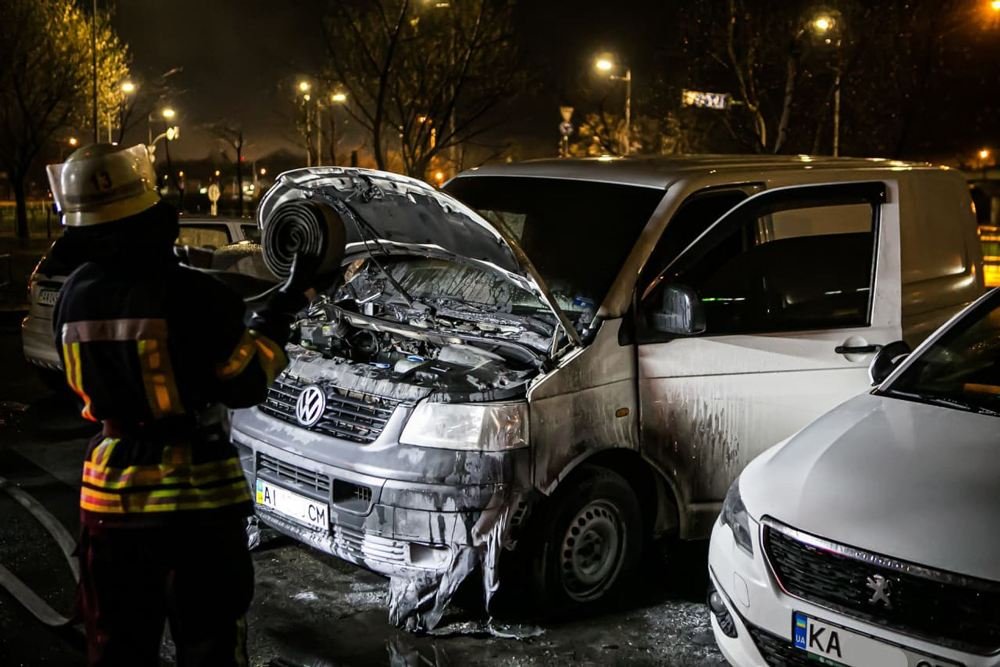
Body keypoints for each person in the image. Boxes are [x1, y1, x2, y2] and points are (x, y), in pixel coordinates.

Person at [46, 143, 325, 667]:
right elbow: (244, 383)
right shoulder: (194, 294)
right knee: (209, 645)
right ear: (157, 217)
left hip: (110, 502)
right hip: (198, 505)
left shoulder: (74, 295)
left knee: (118, 647)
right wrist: (282, 311)